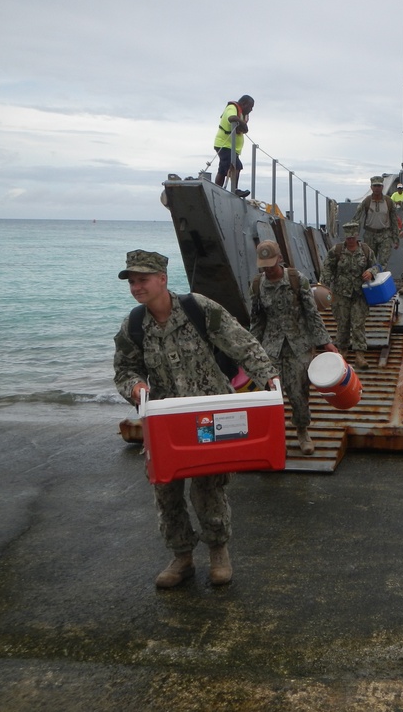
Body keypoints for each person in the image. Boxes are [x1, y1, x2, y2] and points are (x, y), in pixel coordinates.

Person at [113, 249, 278, 589]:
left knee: (209, 486)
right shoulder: (133, 325)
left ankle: (219, 552)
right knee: (166, 490)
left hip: (207, 415)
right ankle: (182, 557)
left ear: (162, 279)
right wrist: (135, 387)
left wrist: (269, 377)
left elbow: (241, 344)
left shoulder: (198, 309)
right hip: (164, 420)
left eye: (142, 279)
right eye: (132, 281)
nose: (136, 287)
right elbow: (125, 370)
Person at [248, 241, 338, 456]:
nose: (268, 269)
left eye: (271, 264)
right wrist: (251, 349)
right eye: (264, 265)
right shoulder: (257, 285)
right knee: (271, 394)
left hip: (299, 346)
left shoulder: (298, 280)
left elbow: (312, 314)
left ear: (279, 258)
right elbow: (257, 319)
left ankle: (302, 430)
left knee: (298, 392)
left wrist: (326, 343)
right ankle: (274, 435)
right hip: (271, 347)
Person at [319, 221, 379, 370]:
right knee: (343, 323)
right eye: (348, 238)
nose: (350, 240)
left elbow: (377, 266)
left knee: (358, 324)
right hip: (341, 294)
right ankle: (343, 351)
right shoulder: (337, 251)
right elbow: (327, 269)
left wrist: (371, 272)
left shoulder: (366, 250)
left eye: (352, 237)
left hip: (359, 293)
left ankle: (360, 354)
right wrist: (323, 288)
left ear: (357, 236)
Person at [351, 175, 400, 271]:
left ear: (382, 187)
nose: (377, 188)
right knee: (368, 261)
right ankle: (370, 283)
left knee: (383, 263)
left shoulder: (388, 201)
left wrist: (396, 239)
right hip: (370, 234)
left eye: (379, 186)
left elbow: (394, 220)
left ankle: (381, 283)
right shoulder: (367, 201)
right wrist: (353, 235)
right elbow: (357, 219)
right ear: (371, 187)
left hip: (385, 235)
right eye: (375, 186)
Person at [213, 95, 255, 197]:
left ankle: (216, 190)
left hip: (232, 148)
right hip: (224, 144)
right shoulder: (232, 108)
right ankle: (234, 189)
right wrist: (242, 123)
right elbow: (231, 118)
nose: (251, 110)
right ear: (244, 104)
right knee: (236, 166)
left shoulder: (242, 114)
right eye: (250, 107)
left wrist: (243, 127)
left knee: (223, 170)